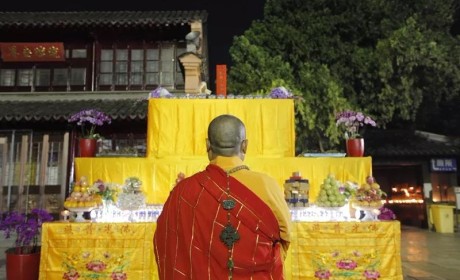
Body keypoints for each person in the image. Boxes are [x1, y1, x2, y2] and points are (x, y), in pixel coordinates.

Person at [154, 114, 291, 279]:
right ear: (245, 146)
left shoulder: (184, 191)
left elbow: (166, 243)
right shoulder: (267, 185)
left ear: (207, 145)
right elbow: (285, 238)